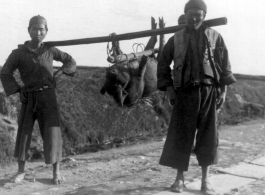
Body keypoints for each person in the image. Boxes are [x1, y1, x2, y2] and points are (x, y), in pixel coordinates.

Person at [157, 0, 236, 194]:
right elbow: (162, 64)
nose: (194, 18)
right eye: (190, 14)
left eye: (198, 14)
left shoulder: (215, 37)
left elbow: (224, 65)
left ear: (204, 16)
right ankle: (179, 179)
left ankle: (205, 180)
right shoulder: (176, 38)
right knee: (181, 134)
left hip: (209, 92)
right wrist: (169, 88)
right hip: (184, 93)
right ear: (185, 15)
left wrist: (223, 91)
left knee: (208, 135)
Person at [0, 15, 76, 185]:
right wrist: (18, 90)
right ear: (29, 30)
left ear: (46, 31)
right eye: (34, 28)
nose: (38, 32)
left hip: (48, 97)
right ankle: (20, 172)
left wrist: (60, 72)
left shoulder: (51, 50)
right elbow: (5, 73)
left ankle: (56, 173)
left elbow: (70, 61)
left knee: (52, 133)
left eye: (42, 29)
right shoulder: (18, 53)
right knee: (24, 134)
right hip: (28, 97)